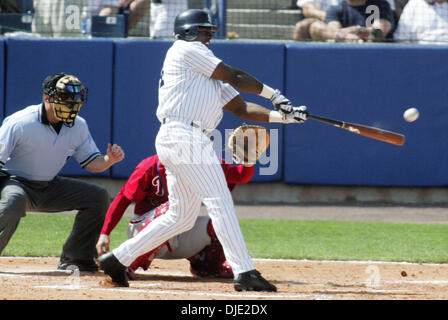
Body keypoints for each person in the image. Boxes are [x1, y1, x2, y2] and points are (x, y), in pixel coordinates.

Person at [97, 8, 308, 292]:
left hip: (183, 137)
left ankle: (118, 259)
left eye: (209, 31)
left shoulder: (204, 72)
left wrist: (284, 116)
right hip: (184, 135)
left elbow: (242, 107)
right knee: (219, 200)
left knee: (180, 215)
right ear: (188, 31)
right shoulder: (186, 50)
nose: (208, 36)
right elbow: (234, 75)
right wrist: (275, 95)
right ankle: (245, 272)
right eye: (204, 30)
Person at [0, 73, 125, 271]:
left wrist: (110, 160)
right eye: (65, 98)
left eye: (74, 99)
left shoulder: (78, 125)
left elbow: (93, 163)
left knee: (97, 196)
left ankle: (76, 258)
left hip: (49, 185)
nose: (71, 103)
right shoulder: (20, 122)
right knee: (13, 200)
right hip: (14, 182)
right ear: (47, 97)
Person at [95, 154, 255, 279]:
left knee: (220, 222)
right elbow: (123, 198)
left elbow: (241, 175)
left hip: (180, 233)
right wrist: (105, 233)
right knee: (174, 208)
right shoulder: (150, 165)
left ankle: (208, 268)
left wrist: (249, 160)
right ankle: (127, 263)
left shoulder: (207, 164)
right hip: (142, 233)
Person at [293, 0, 396, 40]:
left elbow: (378, 31)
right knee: (315, 26)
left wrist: (357, 30)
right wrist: (348, 37)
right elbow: (334, 30)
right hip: (343, 52)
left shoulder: (379, 5)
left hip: (372, 52)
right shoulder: (335, 8)